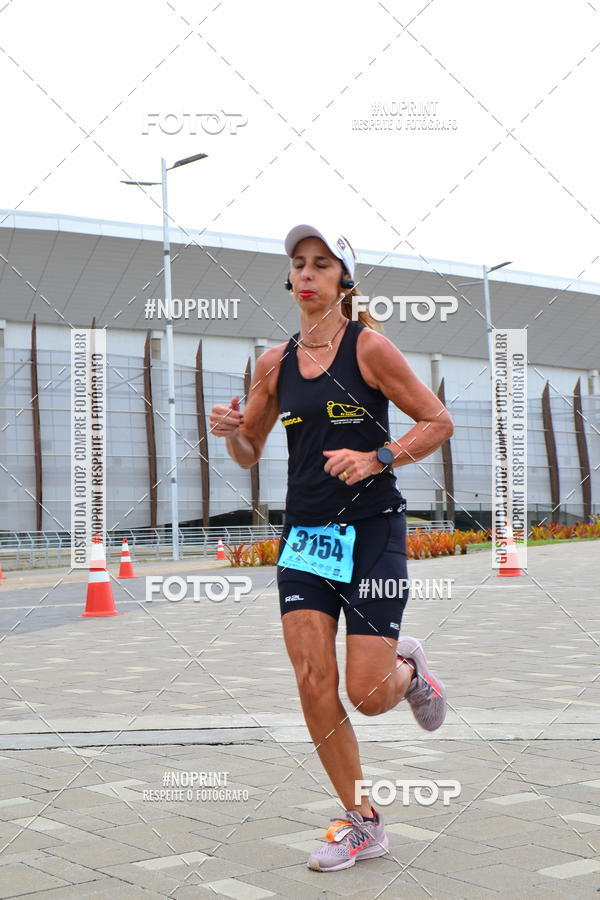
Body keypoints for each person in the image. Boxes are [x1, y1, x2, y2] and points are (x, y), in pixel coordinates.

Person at [209, 224, 454, 873]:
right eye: (299, 264)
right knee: (314, 681)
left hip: (372, 530)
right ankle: (361, 822)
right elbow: (248, 450)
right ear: (290, 279)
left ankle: (408, 671)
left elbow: (437, 422)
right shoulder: (274, 364)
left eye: (322, 264)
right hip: (308, 538)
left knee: (368, 693)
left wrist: (377, 456)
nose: (308, 273)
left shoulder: (370, 350)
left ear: (344, 280)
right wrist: (233, 430)